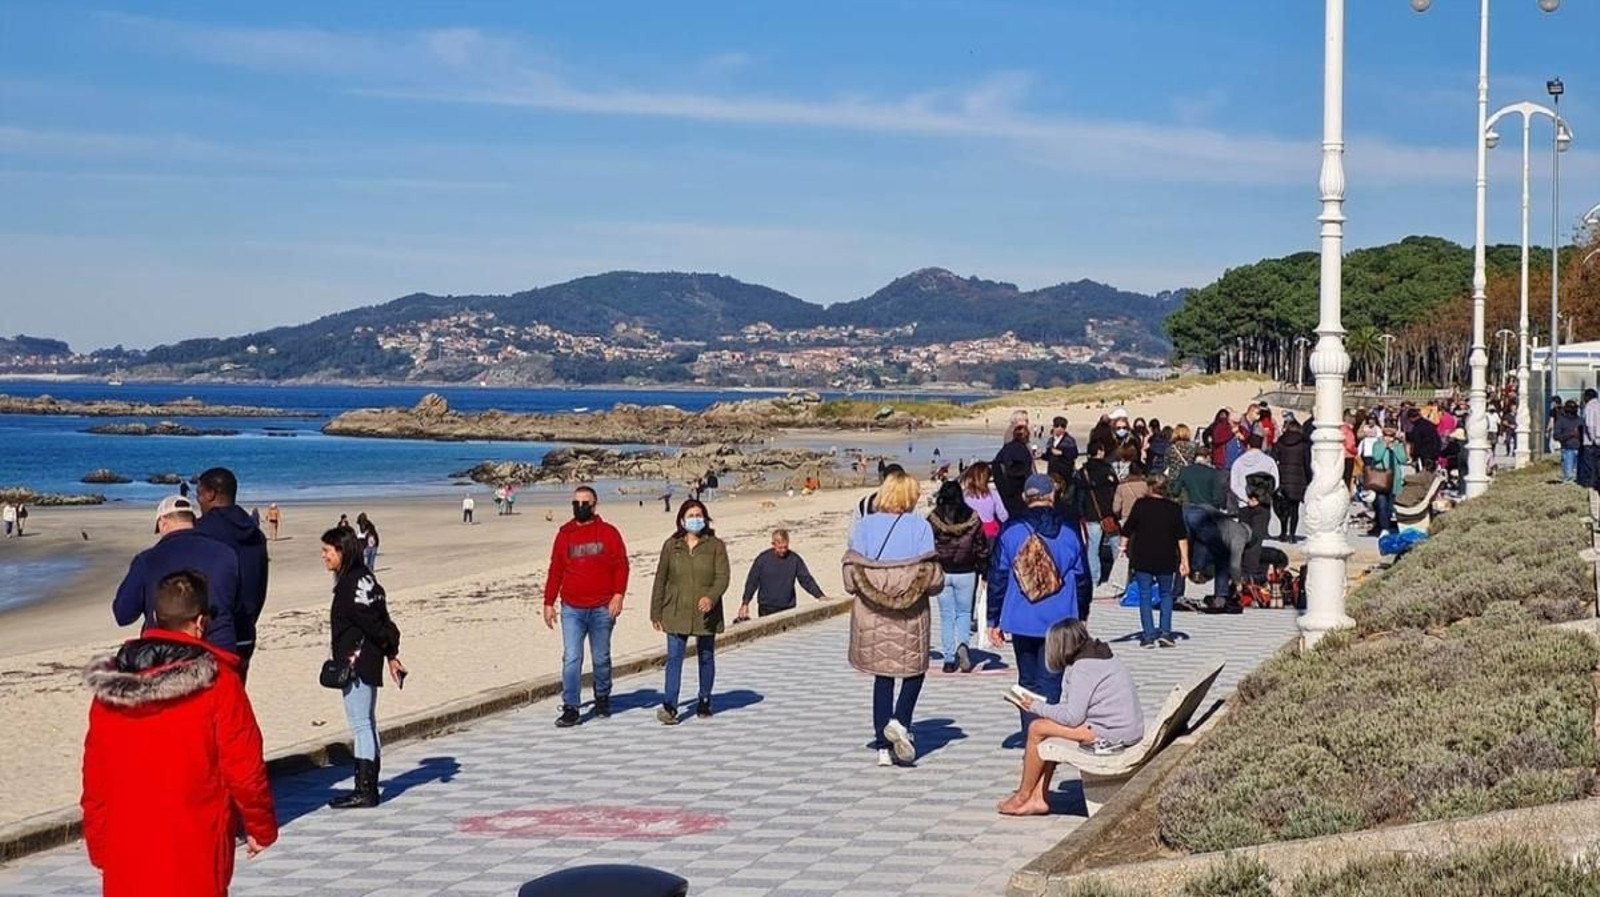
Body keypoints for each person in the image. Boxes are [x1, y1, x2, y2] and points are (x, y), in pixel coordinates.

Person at [81, 570, 278, 895]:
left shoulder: (111, 692)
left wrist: (99, 844)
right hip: (195, 843)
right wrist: (260, 827)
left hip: (127, 847)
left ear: (157, 617)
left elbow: (95, 780)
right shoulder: (219, 683)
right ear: (200, 622)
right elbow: (244, 768)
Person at [843, 470, 943, 767]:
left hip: (873, 613)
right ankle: (900, 721)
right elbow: (933, 578)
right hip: (910, 614)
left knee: (882, 676)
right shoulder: (920, 527)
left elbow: (850, 578)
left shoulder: (865, 527)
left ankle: (882, 747)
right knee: (914, 671)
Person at [997, 619, 1143, 817]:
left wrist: (1034, 706)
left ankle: (1023, 795)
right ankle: (1038, 798)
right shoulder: (1098, 655)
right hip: (1123, 728)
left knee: (1036, 728)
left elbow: (1072, 717)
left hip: (1109, 734)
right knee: (1045, 730)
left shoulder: (1084, 667)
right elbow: (1073, 710)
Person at [988, 475, 1089, 734]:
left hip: (1021, 616)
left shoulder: (1011, 530)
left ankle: (1030, 735)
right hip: (1060, 616)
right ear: (1052, 495)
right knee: (1051, 682)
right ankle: (1047, 735)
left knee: (1027, 680)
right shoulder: (1069, 530)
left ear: (1025, 497)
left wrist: (993, 619)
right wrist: (1083, 612)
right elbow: (1082, 577)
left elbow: (997, 575)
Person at [322, 526, 405, 809]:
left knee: (361, 725)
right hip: (369, 658)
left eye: (328, 551)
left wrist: (390, 650)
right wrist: (391, 653)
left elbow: (373, 622)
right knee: (367, 722)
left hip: (357, 661)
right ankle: (367, 786)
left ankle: (365, 789)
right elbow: (382, 618)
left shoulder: (352, 584)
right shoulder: (367, 579)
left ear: (342, 551)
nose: (324, 556)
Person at [544, 485, 629, 727]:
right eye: (576, 503)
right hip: (572, 608)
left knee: (601, 658)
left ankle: (602, 696)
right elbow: (555, 570)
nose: (580, 507)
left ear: (594, 505)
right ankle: (571, 706)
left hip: (602, 607)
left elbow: (621, 566)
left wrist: (618, 595)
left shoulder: (609, 533)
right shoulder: (564, 534)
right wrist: (548, 602)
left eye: (585, 503)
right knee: (572, 657)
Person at [113, 495, 241, 653]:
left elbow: (123, 614)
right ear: (193, 521)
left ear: (163, 523)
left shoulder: (147, 560)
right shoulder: (226, 553)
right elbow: (241, 605)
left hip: (166, 652)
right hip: (220, 649)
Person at [650, 500, 730, 724]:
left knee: (706, 656)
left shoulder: (716, 545)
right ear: (682, 520)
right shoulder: (671, 545)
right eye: (691, 515)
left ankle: (704, 699)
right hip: (675, 610)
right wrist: (655, 612)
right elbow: (660, 579)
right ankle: (670, 705)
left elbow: (723, 577)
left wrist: (711, 597)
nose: (696, 519)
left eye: (699, 515)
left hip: (706, 612)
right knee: (674, 658)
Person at [195, 468, 270, 682]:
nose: (198, 500)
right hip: (246, 630)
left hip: (211, 635)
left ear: (210, 494)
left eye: (199, 493)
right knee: (234, 701)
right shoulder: (255, 534)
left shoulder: (201, 531)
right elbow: (260, 585)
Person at [1119, 475, 1189, 648]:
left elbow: (1127, 530)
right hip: (1166, 557)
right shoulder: (1174, 508)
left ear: (1149, 487)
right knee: (1166, 594)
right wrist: (1185, 560)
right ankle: (1166, 633)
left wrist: (1121, 550)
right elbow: (1182, 536)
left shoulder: (1141, 505)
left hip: (1143, 556)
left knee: (1145, 595)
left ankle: (1149, 635)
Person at [930, 481, 989, 674]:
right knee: (964, 613)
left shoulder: (934, 518)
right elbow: (981, 546)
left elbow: (927, 544)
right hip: (966, 571)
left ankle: (948, 659)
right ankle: (962, 645)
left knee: (946, 615)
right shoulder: (972, 517)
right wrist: (984, 569)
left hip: (942, 571)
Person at [737, 529, 825, 621]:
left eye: (785, 547)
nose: (783, 550)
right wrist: (745, 603)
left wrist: (819, 595)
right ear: (773, 544)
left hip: (788, 607)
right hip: (767, 608)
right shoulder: (762, 559)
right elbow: (752, 582)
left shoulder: (794, 559)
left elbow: (806, 580)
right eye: (780, 548)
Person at [1229, 435, 1278, 582]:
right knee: (1257, 539)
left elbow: (1234, 484)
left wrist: (1246, 498)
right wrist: (1260, 498)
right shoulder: (1269, 461)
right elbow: (1275, 483)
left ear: (1247, 446)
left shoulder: (1239, 462)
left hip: (1244, 506)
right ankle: (1252, 570)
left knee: (1245, 538)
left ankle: (1242, 569)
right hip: (1263, 505)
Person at [1076, 441, 1120, 597]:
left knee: (1092, 548)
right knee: (1117, 546)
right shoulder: (1108, 469)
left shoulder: (1083, 472)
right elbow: (1116, 489)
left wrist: (1081, 513)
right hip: (1109, 513)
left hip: (1091, 513)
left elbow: (1079, 495)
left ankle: (1094, 579)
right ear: (1100, 452)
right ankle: (1118, 578)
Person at [1271, 420, 1312, 542]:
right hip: (1299, 478)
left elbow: (1274, 458)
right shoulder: (1304, 444)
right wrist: (1309, 479)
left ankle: (1283, 533)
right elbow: (1307, 463)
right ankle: (1292, 535)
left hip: (1283, 477)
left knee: (1284, 507)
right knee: (1295, 509)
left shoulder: (1280, 442)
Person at [1364, 427, 1409, 536]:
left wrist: (1395, 449)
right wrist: (1384, 446)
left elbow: (1403, 459)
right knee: (1381, 503)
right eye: (1386, 436)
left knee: (1390, 505)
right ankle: (1385, 528)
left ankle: (1385, 524)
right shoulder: (1377, 445)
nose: (1388, 439)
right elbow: (1377, 457)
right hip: (1381, 478)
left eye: (1391, 436)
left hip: (1394, 478)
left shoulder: (1398, 446)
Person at [992, 423, 1036, 519]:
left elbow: (996, 464)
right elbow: (1025, 469)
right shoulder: (1021, 449)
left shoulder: (1007, 447)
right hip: (1016, 487)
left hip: (1005, 485)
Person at [960, 462, 1009, 538]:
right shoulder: (993, 494)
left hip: (972, 531)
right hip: (990, 530)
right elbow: (1003, 516)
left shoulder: (964, 496)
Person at [1554, 400, 1583, 483]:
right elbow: (1556, 436)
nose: (1573, 410)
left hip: (1580, 450)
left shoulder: (1581, 420)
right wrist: (1571, 434)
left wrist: (1579, 435)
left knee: (1579, 477)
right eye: (1571, 408)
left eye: (1575, 408)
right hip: (1567, 450)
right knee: (1569, 476)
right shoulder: (1561, 421)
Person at [1043, 417, 1078, 482]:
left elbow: (1074, 454)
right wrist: (1041, 455)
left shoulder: (1069, 440)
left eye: (1062, 426)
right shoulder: (1050, 440)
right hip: (1052, 473)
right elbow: (1048, 456)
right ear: (1053, 427)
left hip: (1065, 474)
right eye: (1057, 426)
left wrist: (1062, 453)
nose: (1059, 428)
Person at [1581, 389, 1600, 489]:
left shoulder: (1589, 407)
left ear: (1587, 397)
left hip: (1591, 441)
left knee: (1590, 464)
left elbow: (1590, 424)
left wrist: (1592, 438)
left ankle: (1591, 484)